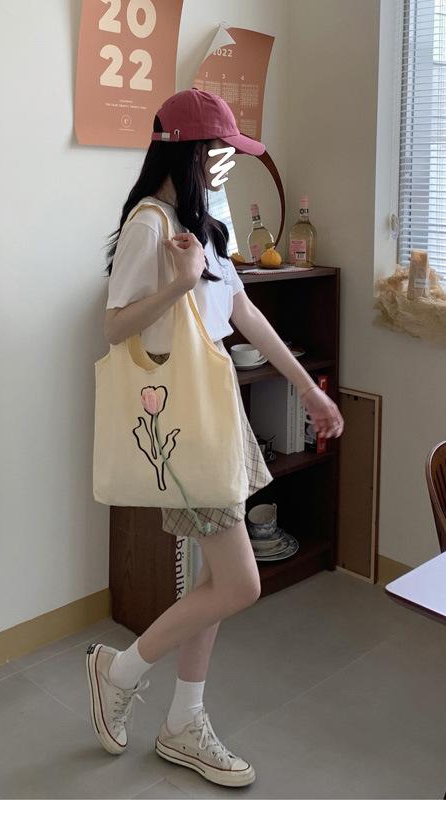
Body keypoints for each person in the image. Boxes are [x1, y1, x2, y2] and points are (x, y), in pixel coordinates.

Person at [86, 88, 344, 788]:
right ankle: (120, 671)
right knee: (240, 583)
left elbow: (243, 311)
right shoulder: (149, 225)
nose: (224, 164)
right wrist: (179, 283)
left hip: (214, 416)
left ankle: (183, 721)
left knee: (215, 582)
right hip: (184, 425)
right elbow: (114, 327)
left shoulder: (201, 223)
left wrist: (309, 389)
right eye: (220, 153)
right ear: (191, 153)